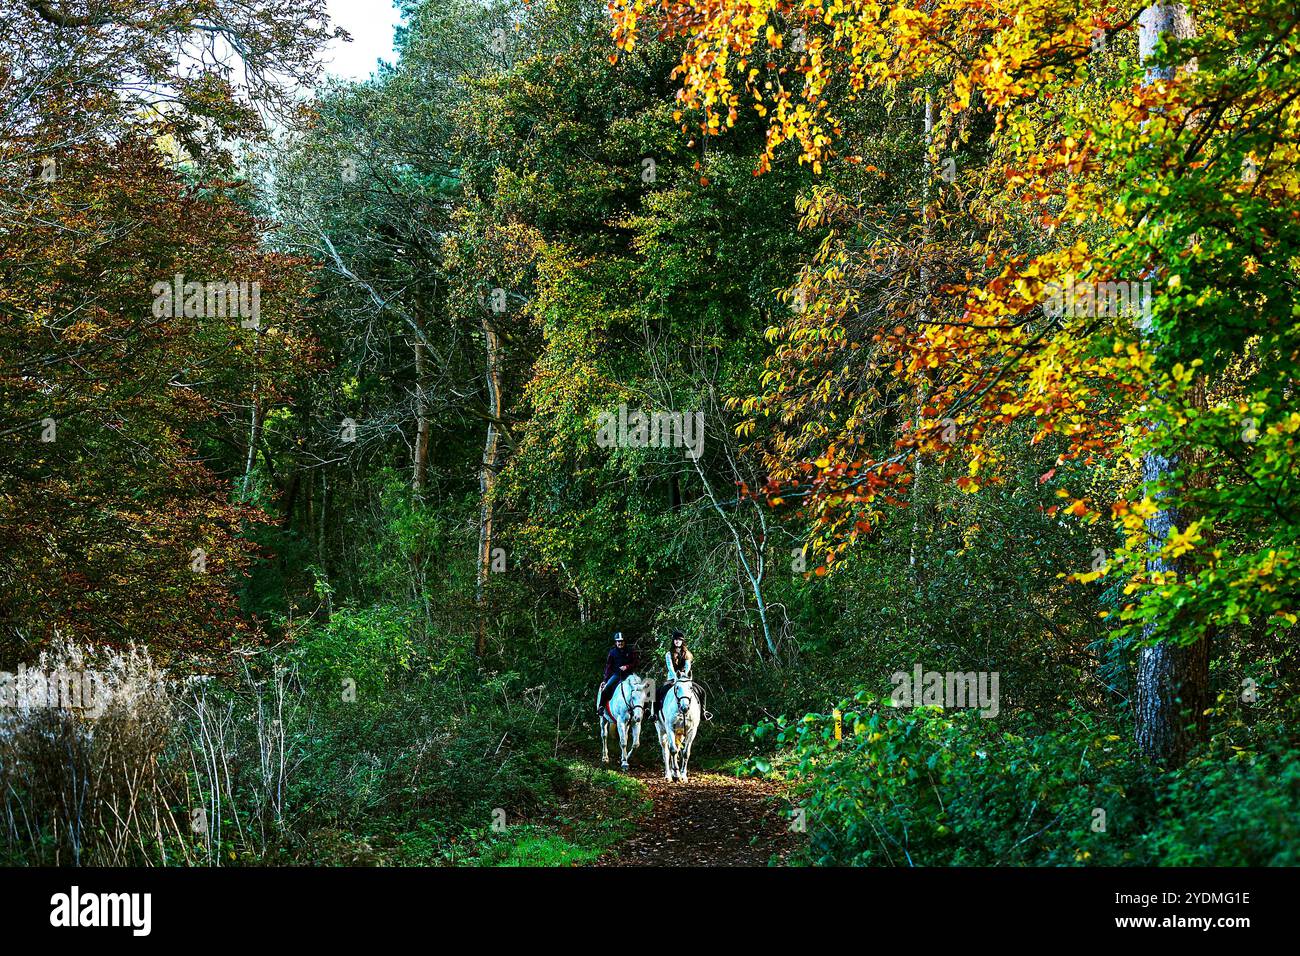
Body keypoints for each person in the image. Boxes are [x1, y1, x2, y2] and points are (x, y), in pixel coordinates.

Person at [654, 630, 693, 720]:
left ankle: (703, 712)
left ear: (682, 641)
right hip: (672, 678)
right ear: (673, 641)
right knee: (657, 692)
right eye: (675, 639)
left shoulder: (687, 654)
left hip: (685, 679)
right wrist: (676, 677)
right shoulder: (669, 654)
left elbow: (688, 666)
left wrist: (684, 676)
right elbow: (670, 667)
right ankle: (655, 714)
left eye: (679, 640)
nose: (677, 641)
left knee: (701, 691)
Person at [598, 631, 638, 716]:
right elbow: (608, 667)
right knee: (607, 687)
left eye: (622, 641)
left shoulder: (630, 651)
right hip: (617, 675)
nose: (620, 643)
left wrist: (627, 666)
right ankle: (601, 707)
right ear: (616, 642)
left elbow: (635, 663)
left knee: (640, 688)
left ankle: (645, 709)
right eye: (618, 641)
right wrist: (605, 680)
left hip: (629, 675)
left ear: (624, 641)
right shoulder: (612, 652)